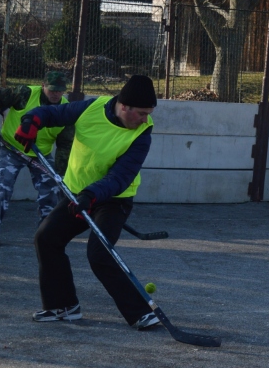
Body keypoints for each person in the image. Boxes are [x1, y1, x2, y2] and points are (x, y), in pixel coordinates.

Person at [14, 75, 161, 331]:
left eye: (148, 113)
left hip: (113, 200)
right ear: (123, 106)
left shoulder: (142, 134)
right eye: (141, 113)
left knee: (99, 253)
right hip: (77, 195)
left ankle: (141, 313)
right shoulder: (91, 108)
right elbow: (55, 114)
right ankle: (63, 306)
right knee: (46, 238)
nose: (145, 119)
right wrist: (31, 120)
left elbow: (121, 176)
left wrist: (91, 195)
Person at [0, 71, 74, 246]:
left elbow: (65, 145)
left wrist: (60, 174)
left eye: (59, 90)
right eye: (52, 89)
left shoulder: (66, 111)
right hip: (13, 148)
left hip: (41, 155)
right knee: (3, 188)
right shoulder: (24, 93)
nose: (55, 94)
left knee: (50, 191)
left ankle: (46, 235)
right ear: (43, 86)